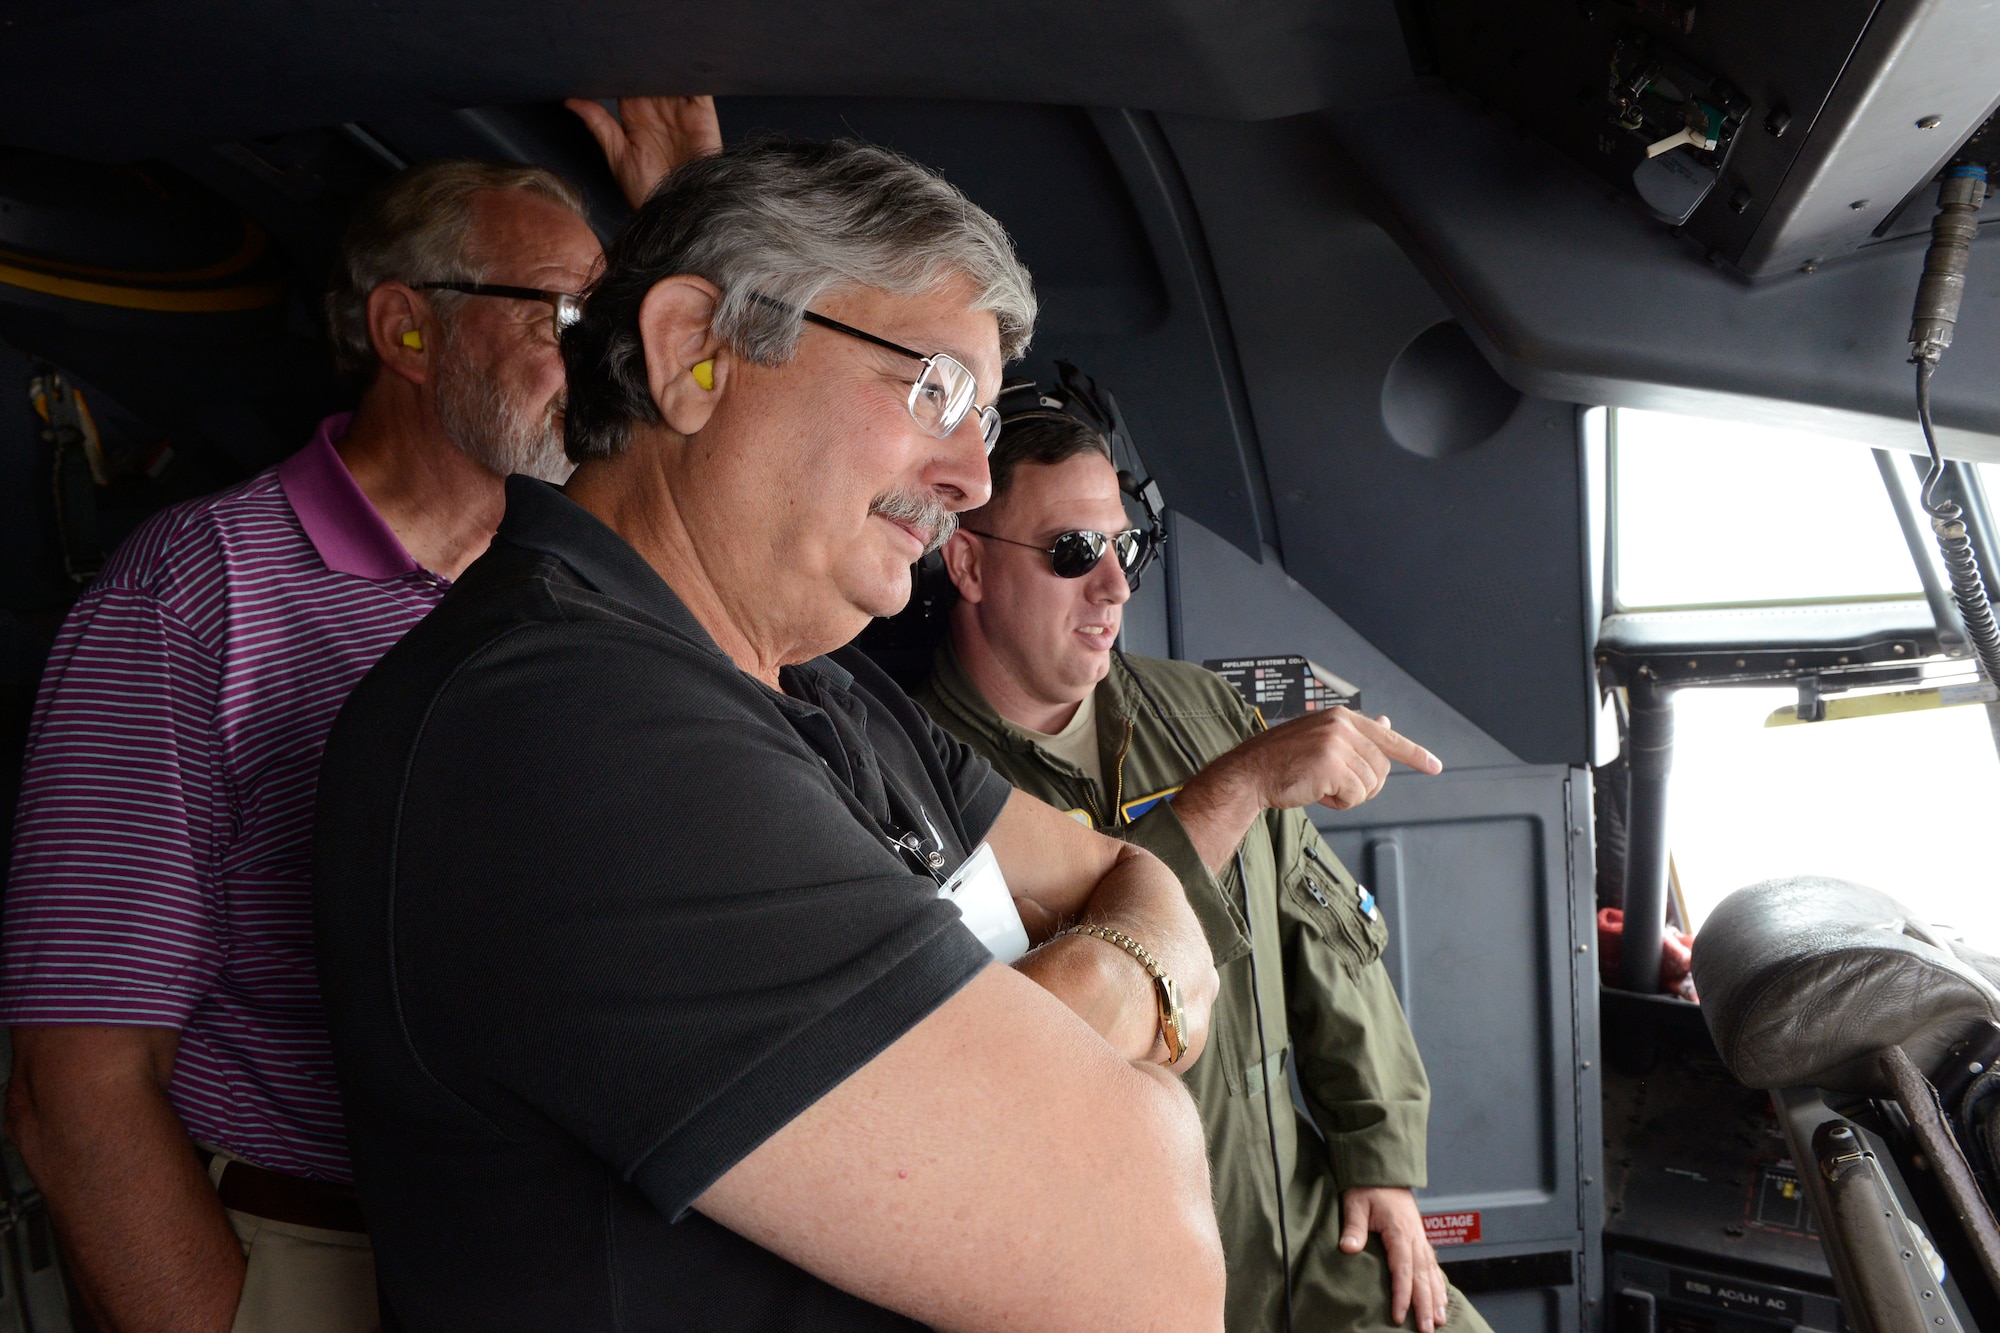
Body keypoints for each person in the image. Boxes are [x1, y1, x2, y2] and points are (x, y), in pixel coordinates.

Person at [311, 137, 1226, 1333]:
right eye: (936, 389)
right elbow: (1143, 1255)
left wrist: (1089, 987)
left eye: (985, 418)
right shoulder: (560, 729)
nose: (969, 476)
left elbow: (1131, 872)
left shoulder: (827, 693)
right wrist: (1121, 1057)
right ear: (695, 351)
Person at [0, 98, 720, 1333]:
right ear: (406, 327)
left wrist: (694, 216)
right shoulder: (193, 597)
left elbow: (748, 456)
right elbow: (79, 1080)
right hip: (312, 1258)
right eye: (562, 316)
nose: (603, 358)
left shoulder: (585, 595)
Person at [914, 382, 1495, 1333]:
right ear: (967, 561)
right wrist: (1229, 792)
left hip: (1303, 1235)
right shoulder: (921, 785)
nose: (1114, 587)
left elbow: (1323, 939)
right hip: (1113, 1278)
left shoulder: (1202, 715)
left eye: (1124, 547)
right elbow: (1038, 1042)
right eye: (1072, 553)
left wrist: (1379, 1155)